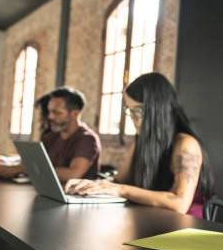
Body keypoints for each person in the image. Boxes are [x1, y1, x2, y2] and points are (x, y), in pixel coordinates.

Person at [65, 72, 214, 217]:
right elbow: (119, 181)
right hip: (152, 219)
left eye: (139, 111)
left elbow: (179, 204)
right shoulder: (141, 140)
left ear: (158, 110)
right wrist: (90, 185)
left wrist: (119, 189)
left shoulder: (186, 145)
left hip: (184, 229)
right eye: (130, 111)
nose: (134, 119)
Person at [0, 87, 102, 182]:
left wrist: (26, 169)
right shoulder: (50, 137)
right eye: (49, 111)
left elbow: (73, 174)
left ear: (75, 114)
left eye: (56, 112)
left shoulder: (88, 139)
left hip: (76, 198)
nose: (50, 117)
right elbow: (36, 164)